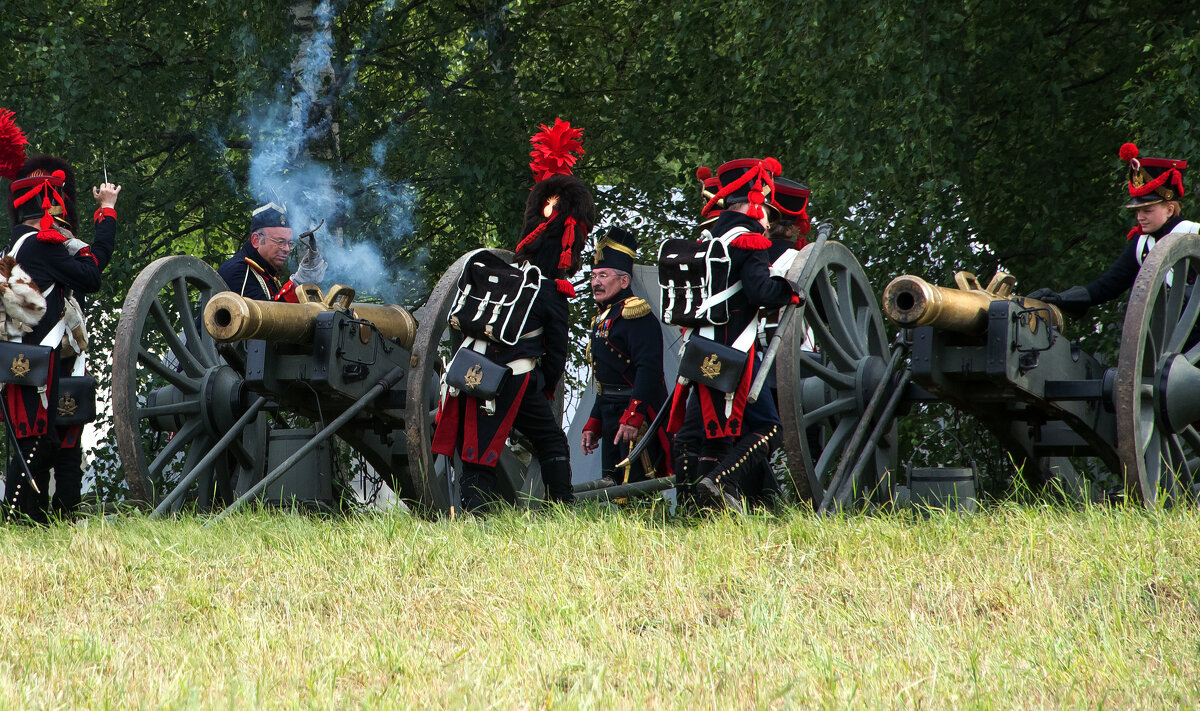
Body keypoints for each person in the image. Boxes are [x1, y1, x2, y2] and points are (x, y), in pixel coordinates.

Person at [432, 118, 593, 511]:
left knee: (478, 449)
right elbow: (555, 353)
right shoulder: (551, 290)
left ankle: (474, 517)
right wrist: (545, 384)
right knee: (552, 441)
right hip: (516, 379)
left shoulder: (506, 273)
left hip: (471, 372)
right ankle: (562, 511)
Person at [0, 117, 118, 522]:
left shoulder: (26, 245)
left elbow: (84, 273)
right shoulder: (39, 245)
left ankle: (64, 522)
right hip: (35, 364)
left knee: (67, 444)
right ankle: (18, 519)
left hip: (55, 361)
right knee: (37, 443)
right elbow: (92, 275)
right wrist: (106, 214)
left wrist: (94, 229)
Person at [665, 157, 797, 511]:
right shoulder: (748, 240)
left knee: (708, 434)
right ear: (754, 204)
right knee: (770, 428)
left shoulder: (709, 237)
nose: (768, 218)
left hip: (702, 349)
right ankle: (722, 482)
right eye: (766, 208)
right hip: (735, 350)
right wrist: (788, 291)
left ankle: (697, 508)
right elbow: (759, 293)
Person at [1029, 143, 1198, 316]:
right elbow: (1107, 286)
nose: (1140, 217)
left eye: (1147, 210)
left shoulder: (1194, 233)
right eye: (1137, 211)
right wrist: (1061, 298)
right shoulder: (1142, 244)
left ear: (1170, 209)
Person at [580, 226, 669, 487]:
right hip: (610, 414)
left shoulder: (636, 314)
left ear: (624, 281)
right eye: (594, 275)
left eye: (603, 275)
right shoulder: (603, 318)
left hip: (634, 414)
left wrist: (634, 416)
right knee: (612, 485)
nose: (595, 282)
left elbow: (648, 371)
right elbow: (606, 377)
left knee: (637, 486)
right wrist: (593, 422)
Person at [217, 202, 326, 302]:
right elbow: (265, 318)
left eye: (290, 243)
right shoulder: (238, 272)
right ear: (256, 240)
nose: (287, 249)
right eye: (280, 242)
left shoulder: (266, 273)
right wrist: (297, 285)